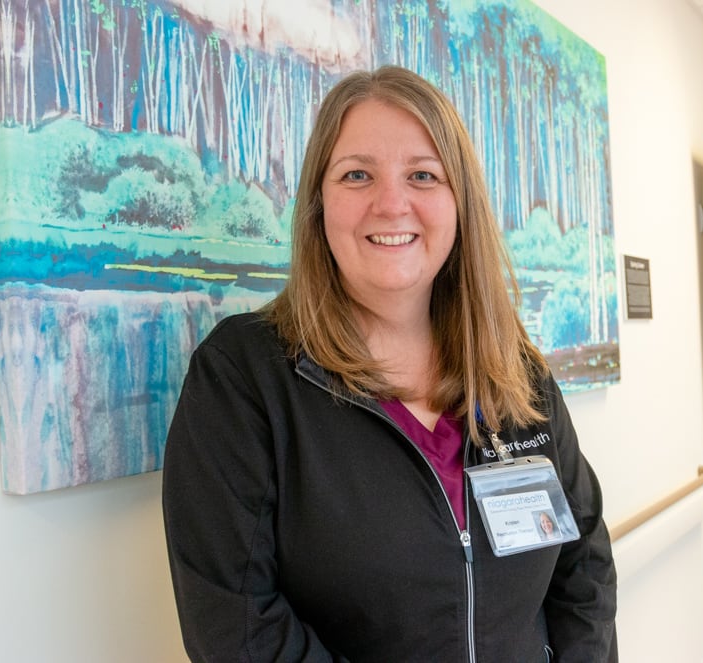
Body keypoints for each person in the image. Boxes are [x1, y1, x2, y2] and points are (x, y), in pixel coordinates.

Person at [162, 65, 617, 662]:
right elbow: (238, 629)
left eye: (423, 175)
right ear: (319, 203)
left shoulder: (517, 375)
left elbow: (582, 567)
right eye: (357, 174)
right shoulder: (243, 377)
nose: (391, 203)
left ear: (459, 204)